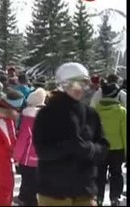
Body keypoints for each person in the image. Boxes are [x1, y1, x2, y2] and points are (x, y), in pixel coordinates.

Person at [33, 62, 110, 206]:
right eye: (75, 84)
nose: (80, 89)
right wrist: (67, 147)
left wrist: (88, 149)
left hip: (84, 193)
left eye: (84, 84)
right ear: (63, 84)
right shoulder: (47, 114)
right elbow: (42, 151)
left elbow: (103, 147)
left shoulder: (90, 114)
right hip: (55, 195)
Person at [13, 88, 47, 206]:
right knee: (37, 181)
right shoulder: (47, 117)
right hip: (43, 157)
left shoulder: (28, 119)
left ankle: (27, 200)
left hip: (28, 158)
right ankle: (28, 198)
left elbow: (23, 140)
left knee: (27, 181)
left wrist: (16, 157)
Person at [94, 82, 127, 206]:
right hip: (117, 148)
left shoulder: (96, 110)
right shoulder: (121, 112)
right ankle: (115, 197)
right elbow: (125, 132)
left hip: (100, 148)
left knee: (99, 174)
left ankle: (98, 197)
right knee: (116, 173)